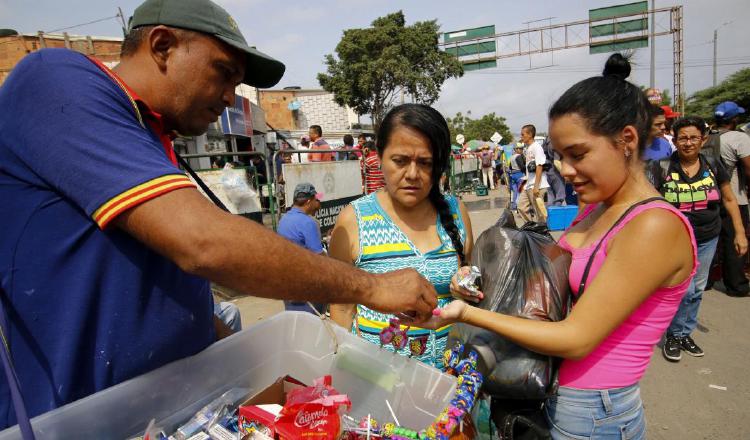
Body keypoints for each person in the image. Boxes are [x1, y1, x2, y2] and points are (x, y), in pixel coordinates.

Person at [0, 0, 437, 428]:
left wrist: (264, 370)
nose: (230, 97)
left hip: (158, 414)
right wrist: (371, 287)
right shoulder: (56, 79)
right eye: (224, 73)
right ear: (162, 46)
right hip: (67, 419)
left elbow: (164, 293)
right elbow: (203, 244)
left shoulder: (153, 139)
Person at [424, 53, 696, 439]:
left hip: (592, 412)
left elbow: (576, 338)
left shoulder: (654, 226)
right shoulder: (600, 208)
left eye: (578, 154)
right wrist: (476, 280)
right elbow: (543, 281)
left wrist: (467, 315)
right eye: (559, 156)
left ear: (627, 140)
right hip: (547, 394)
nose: (564, 170)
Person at [329, 104, 474, 368]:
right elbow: (341, 309)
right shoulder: (354, 220)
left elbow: (468, 291)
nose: (412, 174)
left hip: (449, 384)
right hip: (378, 385)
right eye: (400, 161)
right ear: (379, 157)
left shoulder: (456, 213)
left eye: (425, 162)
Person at [649, 116, 747, 362]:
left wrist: (740, 232)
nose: (688, 143)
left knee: (697, 290)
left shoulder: (713, 164)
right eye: (683, 138)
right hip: (674, 240)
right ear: (675, 139)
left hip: (707, 237)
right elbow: (649, 204)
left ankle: (684, 333)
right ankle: (673, 334)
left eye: (694, 138)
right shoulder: (661, 167)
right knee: (683, 289)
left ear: (703, 140)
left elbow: (729, 200)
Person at [713, 101, 750, 296]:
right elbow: (748, 167)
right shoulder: (739, 138)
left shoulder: (709, 137)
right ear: (734, 119)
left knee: (713, 239)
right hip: (735, 196)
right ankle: (737, 285)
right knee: (734, 238)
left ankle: (709, 280)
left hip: (710, 195)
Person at [278, 183, 327, 314]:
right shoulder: (307, 222)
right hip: (305, 286)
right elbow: (320, 258)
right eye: (317, 200)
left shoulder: (284, 219)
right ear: (309, 201)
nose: (319, 203)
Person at [517, 124, 550, 222]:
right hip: (528, 184)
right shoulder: (528, 148)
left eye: (523, 134)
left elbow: (540, 166)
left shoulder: (537, 147)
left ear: (530, 134)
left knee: (539, 213)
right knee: (521, 207)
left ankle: (541, 233)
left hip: (538, 186)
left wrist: (536, 186)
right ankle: (531, 228)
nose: (521, 137)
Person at [508, 144, 526, 210]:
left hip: (513, 175)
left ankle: (514, 206)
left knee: (515, 191)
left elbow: (510, 167)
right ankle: (519, 205)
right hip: (519, 174)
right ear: (517, 149)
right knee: (520, 190)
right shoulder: (519, 156)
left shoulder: (512, 157)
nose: (522, 150)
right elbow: (522, 166)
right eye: (521, 149)